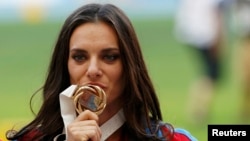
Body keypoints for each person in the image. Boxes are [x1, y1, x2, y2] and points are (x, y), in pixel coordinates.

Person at [6, 3, 197, 141]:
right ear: (64, 65)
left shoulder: (173, 139)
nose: (93, 70)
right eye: (80, 57)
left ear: (129, 65)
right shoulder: (29, 139)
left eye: (110, 57)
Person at [174, 0, 226, 123]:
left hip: (191, 33)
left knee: (207, 73)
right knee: (211, 74)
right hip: (206, 35)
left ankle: (199, 110)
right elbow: (216, 14)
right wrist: (219, 38)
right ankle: (199, 110)